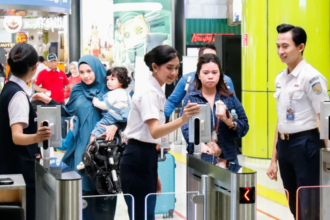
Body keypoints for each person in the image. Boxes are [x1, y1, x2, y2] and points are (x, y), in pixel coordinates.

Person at [121, 45, 200, 220]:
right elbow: (155, 131)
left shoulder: (157, 90)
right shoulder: (149, 92)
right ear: (155, 67)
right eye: (169, 68)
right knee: (141, 215)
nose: (174, 73)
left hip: (145, 156)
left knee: (146, 213)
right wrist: (183, 119)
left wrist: (153, 171)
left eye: (177, 68)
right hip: (138, 157)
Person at [267, 24, 329, 219]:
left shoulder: (312, 77)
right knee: (293, 201)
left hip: (307, 145)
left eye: (285, 46)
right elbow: (281, 120)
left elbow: (324, 117)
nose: (280, 51)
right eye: (278, 46)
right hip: (285, 146)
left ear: (300, 47)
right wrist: (273, 159)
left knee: (309, 203)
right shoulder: (280, 78)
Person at [0, 43, 52, 220]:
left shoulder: (10, 89)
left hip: (10, 166)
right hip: (19, 168)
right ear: (35, 66)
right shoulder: (18, 95)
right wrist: (38, 136)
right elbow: (17, 136)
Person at [181, 54, 249, 164]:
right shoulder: (191, 98)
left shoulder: (229, 98)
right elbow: (185, 127)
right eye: (206, 73)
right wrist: (199, 144)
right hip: (200, 156)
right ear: (198, 75)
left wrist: (231, 123)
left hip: (228, 157)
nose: (210, 76)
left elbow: (245, 125)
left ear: (220, 75)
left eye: (214, 72)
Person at [164, 44, 236, 119]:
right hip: (193, 125)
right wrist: (160, 120)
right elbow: (172, 102)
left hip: (220, 126)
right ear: (198, 60)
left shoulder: (226, 80)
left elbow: (233, 107)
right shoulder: (187, 80)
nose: (210, 61)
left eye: (214, 58)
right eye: (206, 58)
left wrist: (233, 124)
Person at [91, 67, 131, 139]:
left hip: (109, 119)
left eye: (112, 79)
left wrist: (96, 102)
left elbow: (105, 105)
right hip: (120, 119)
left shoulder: (114, 93)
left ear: (121, 81)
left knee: (95, 133)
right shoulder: (126, 93)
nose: (109, 82)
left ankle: (90, 149)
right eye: (107, 79)